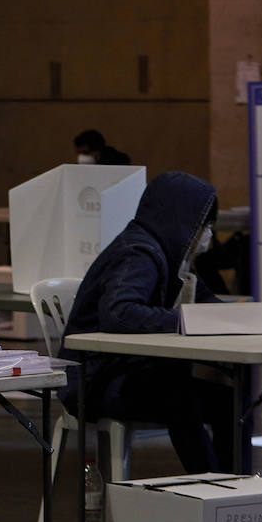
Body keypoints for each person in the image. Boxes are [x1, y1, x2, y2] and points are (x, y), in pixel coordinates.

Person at [59, 171, 237, 474]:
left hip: (127, 372)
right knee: (179, 395)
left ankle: (237, 488)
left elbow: (209, 305)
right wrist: (188, 320)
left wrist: (239, 321)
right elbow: (120, 313)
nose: (207, 232)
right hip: (95, 380)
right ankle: (213, 487)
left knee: (232, 403)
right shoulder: (137, 253)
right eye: (204, 223)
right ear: (183, 219)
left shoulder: (171, 256)